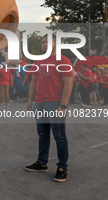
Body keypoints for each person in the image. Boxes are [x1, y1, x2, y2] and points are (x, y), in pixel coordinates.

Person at [25, 34, 73, 183]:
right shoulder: (38, 61)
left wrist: (63, 104)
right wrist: (30, 100)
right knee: (43, 135)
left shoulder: (63, 60)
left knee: (59, 136)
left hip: (55, 103)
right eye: (42, 42)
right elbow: (33, 81)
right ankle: (42, 163)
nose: (44, 45)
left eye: (47, 42)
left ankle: (62, 167)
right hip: (39, 103)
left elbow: (68, 83)